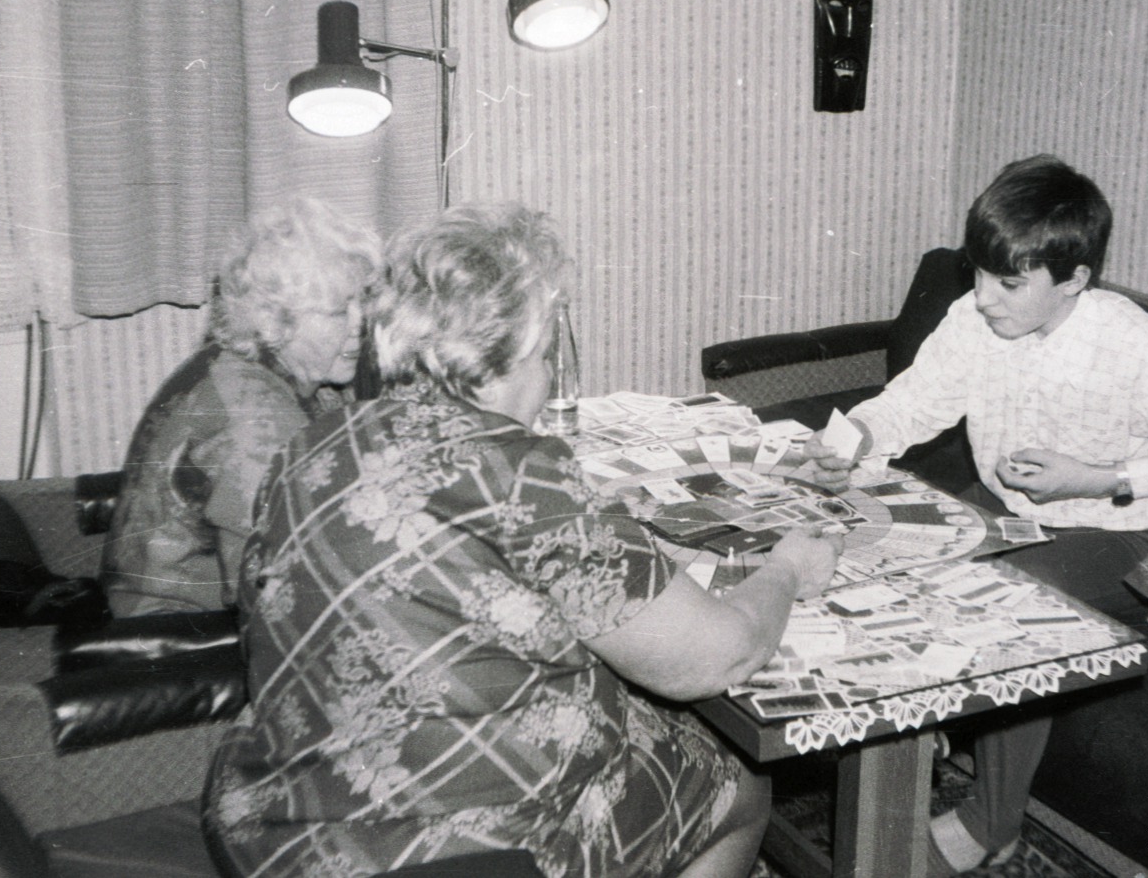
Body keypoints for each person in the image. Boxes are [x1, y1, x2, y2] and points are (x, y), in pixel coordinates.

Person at [203, 203, 842, 878]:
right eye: (542, 356)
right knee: (737, 780)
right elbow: (714, 657)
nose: (547, 377)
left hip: (279, 824)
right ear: (500, 363)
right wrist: (787, 570)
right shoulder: (519, 471)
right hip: (459, 853)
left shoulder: (310, 442)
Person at [804, 155, 1148, 874]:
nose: (983, 297)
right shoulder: (973, 320)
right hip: (1010, 511)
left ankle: (993, 824)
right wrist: (853, 440)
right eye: (977, 273)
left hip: (1124, 531)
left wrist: (1103, 478)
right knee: (879, 561)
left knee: (1008, 612)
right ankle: (925, 735)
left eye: (1008, 283)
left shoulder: (1136, 347)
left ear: (1074, 280)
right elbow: (914, 401)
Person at [100, 196, 384, 617]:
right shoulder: (255, 426)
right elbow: (272, 598)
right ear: (275, 320)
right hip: (180, 635)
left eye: (363, 301)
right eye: (340, 310)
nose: (361, 324)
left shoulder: (248, 368)